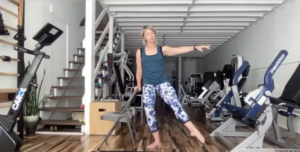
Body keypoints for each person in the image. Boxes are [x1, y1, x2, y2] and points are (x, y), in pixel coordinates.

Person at [135, 25, 211, 150]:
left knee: (176, 105)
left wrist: (195, 47)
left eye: (152, 33)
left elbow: (178, 50)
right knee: (149, 113)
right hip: (148, 85)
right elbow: (139, 70)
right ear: (144, 37)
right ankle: (157, 141)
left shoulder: (162, 49)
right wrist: (138, 84)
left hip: (163, 83)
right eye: (148, 34)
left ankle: (193, 130)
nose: (151, 36)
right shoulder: (140, 52)